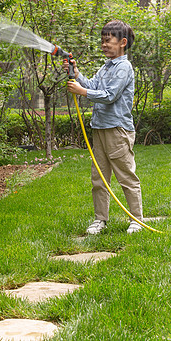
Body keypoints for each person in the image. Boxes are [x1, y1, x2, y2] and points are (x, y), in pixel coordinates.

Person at [65, 20, 143, 235]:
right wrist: (77, 74)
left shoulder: (123, 68)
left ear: (122, 42)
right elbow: (93, 87)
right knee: (99, 178)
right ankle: (100, 219)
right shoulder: (106, 67)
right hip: (99, 128)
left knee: (126, 176)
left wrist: (81, 92)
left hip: (117, 129)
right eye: (102, 41)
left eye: (108, 40)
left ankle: (136, 219)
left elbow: (109, 96)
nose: (104, 45)